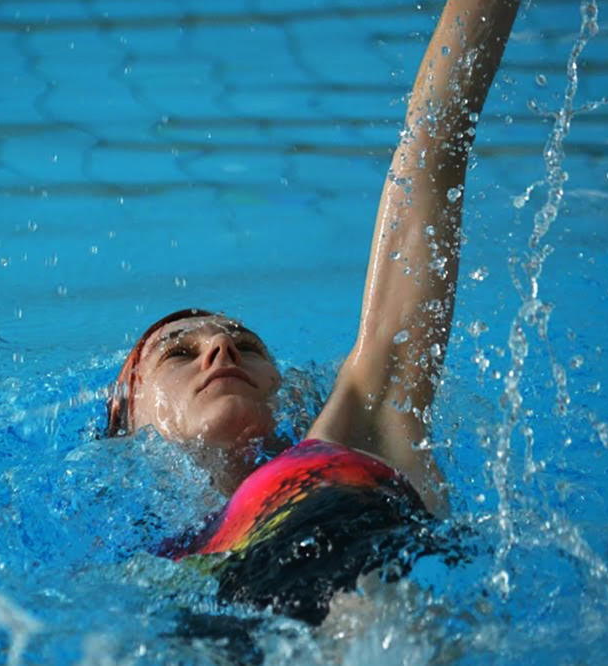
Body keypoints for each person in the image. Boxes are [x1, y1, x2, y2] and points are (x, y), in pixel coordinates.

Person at [106, 0, 519, 623]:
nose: (219, 350)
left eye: (247, 346)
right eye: (181, 352)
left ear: (284, 387)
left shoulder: (366, 428)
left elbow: (432, 145)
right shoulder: (151, 575)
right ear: (126, 412)